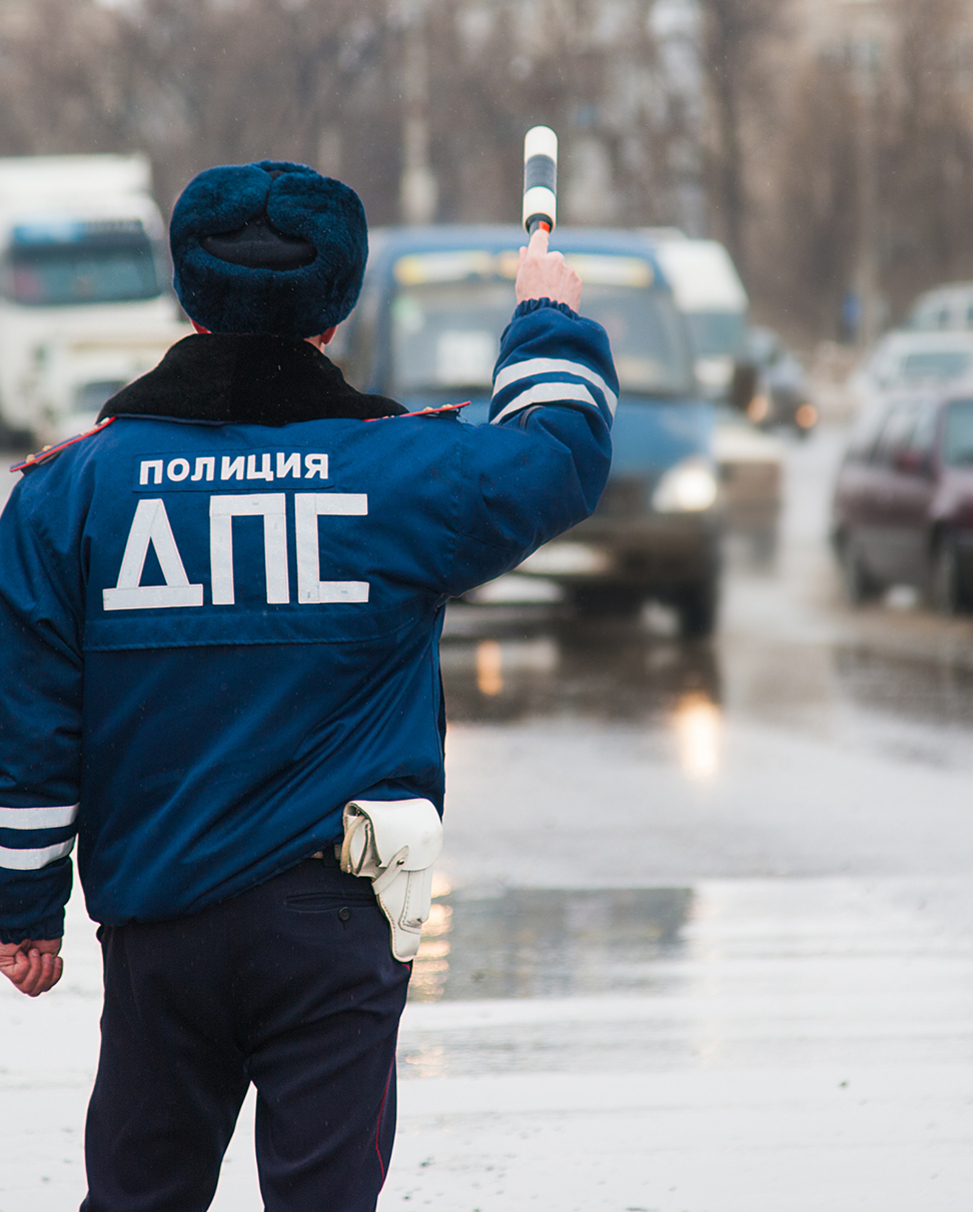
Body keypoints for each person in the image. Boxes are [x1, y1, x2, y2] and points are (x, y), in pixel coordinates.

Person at [0, 159, 615, 1211]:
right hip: (335, 923)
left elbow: (32, 721)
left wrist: (26, 905)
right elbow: (559, 453)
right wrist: (544, 317)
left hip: (159, 923)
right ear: (335, 308)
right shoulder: (402, 473)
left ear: (189, 297)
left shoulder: (72, 491)